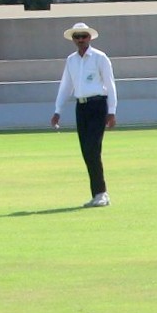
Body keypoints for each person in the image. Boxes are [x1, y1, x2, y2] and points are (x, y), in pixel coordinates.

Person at [51, 22, 118, 208]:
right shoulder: (71, 60)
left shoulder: (99, 57)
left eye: (83, 36)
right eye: (77, 37)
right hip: (81, 107)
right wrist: (57, 110)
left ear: (89, 38)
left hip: (97, 105)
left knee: (92, 149)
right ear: (73, 39)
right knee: (86, 151)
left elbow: (110, 84)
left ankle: (101, 193)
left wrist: (112, 111)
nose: (80, 40)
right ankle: (97, 193)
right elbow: (66, 86)